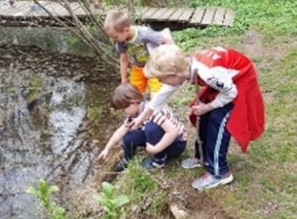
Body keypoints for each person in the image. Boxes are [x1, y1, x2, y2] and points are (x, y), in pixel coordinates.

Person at [138, 44, 265, 190]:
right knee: (204, 118)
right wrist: (142, 117)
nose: (160, 83)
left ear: (173, 74)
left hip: (238, 85)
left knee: (217, 120)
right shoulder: (185, 67)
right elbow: (165, 91)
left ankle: (219, 172)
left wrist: (208, 107)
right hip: (225, 83)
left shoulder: (209, 74)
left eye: (161, 79)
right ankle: (202, 157)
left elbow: (231, 93)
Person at [97, 83, 187, 171]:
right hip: (162, 136)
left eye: (123, 109)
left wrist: (156, 149)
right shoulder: (133, 114)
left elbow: (173, 132)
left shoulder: (152, 111)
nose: (123, 112)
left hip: (176, 143)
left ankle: (159, 159)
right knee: (128, 137)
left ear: (134, 102)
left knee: (151, 128)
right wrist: (107, 148)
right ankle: (128, 158)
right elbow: (121, 131)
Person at [103, 10, 174, 99]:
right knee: (132, 95)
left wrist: (170, 61)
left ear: (126, 30)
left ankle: (159, 110)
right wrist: (123, 80)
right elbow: (123, 59)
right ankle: (140, 111)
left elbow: (167, 41)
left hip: (154, 68)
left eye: (115, 36)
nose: (114, 39)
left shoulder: (145, 34)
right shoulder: (121, 41)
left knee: (156, 95)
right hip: (138, 68)